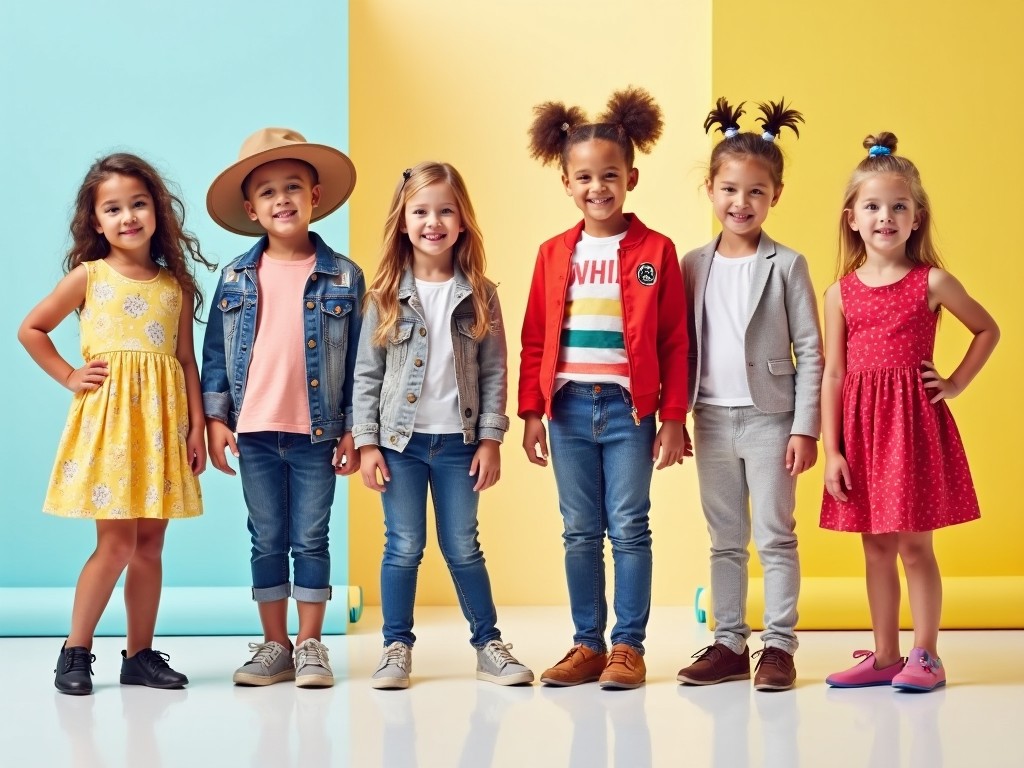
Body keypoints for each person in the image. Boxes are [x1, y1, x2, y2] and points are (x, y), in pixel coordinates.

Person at [19, 153, 212, 695]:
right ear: (96, 221)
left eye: (138, 203)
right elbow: (32, 328)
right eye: (113, 208)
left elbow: (184, 362)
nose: (127, 216)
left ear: (157, 210)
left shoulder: (175, 286)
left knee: (150, 545)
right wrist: (68, 375)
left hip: (162, 424)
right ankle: (75, 652)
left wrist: (196, 426)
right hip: (111, 425)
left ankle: (139, 655)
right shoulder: (90, 276)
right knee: (116, 544)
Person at [521, 87, 689, 690]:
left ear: (632, 178)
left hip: (628, 410)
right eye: (585, 177)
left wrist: (673, 416)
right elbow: (536, 338)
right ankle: (587, 643)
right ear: (566, 182)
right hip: (566, 410)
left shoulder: (655, 251)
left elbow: (674, 341)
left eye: (610, 175)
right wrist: (530, 413)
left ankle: (628, 647)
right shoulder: (551, 254)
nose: (598, 187)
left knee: (630, 527)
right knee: (578, 530)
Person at [820, 133, 998, 692]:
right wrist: (832, 450)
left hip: (913, 430)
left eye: (899, 207)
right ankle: (884, 656)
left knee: (916, 546)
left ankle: (927, 654)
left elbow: (988, 329)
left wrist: (956, 382)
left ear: (917, 218)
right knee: (875, 545)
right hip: (862, 432)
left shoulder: (933, 282)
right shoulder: (839, 293)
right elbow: (832, 373)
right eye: (872, 206)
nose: (886, 217)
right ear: (852, 218)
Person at [354, 162, 533, 689]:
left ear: (462, 222)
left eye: (445, 211)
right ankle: (395, 647)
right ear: (403, 221)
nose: (433, 222)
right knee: (403, 545)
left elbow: (496, 370)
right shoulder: (385, 294)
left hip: (459, 444)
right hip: (400, 445)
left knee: (462, 545)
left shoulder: (480, 293)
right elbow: (367, 374)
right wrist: (367, 444)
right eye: (421, 211)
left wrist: (492, 439)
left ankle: (488, 644)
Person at [203, 127, 363, 688]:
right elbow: (217, 356)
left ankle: (311, 644)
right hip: (253, 432)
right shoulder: (235, 277)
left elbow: (362, 361)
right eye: (268, 192)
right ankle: (275, 645)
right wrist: (216, 420)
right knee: (266, 536)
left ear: (315, 195)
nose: (282, 200)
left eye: (293, 186)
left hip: (317, 432)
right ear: (251, 209)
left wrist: (353, 430)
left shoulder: (344, 276)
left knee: (311, 537)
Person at [676, 98, 823, 692]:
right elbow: (679, 343)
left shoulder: (787, 264)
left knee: (776, 535)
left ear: (775, 196)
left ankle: (779, 646)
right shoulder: (691, 264)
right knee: (724, 536)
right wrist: (672, 416)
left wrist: (804, 426)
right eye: (730, 190)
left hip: (770, 418)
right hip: (710, 416)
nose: (741, 203)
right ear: (710, 190)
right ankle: (729, 641)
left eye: (756, 192)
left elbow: (811, 349)